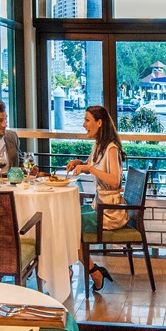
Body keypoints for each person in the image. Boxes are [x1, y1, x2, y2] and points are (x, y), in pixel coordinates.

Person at [66, 106, 126, 292]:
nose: (84, 125)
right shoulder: (99, 146)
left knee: (69, 225)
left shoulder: (111, 149)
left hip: (110, 211)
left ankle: (90, 271)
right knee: (67, 218)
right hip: (100, 205)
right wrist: (80, 163)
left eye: (87, 120)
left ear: (99, 123)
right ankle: (81, 269)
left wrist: (89, 169)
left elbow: (115, 180)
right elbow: (93, 166)